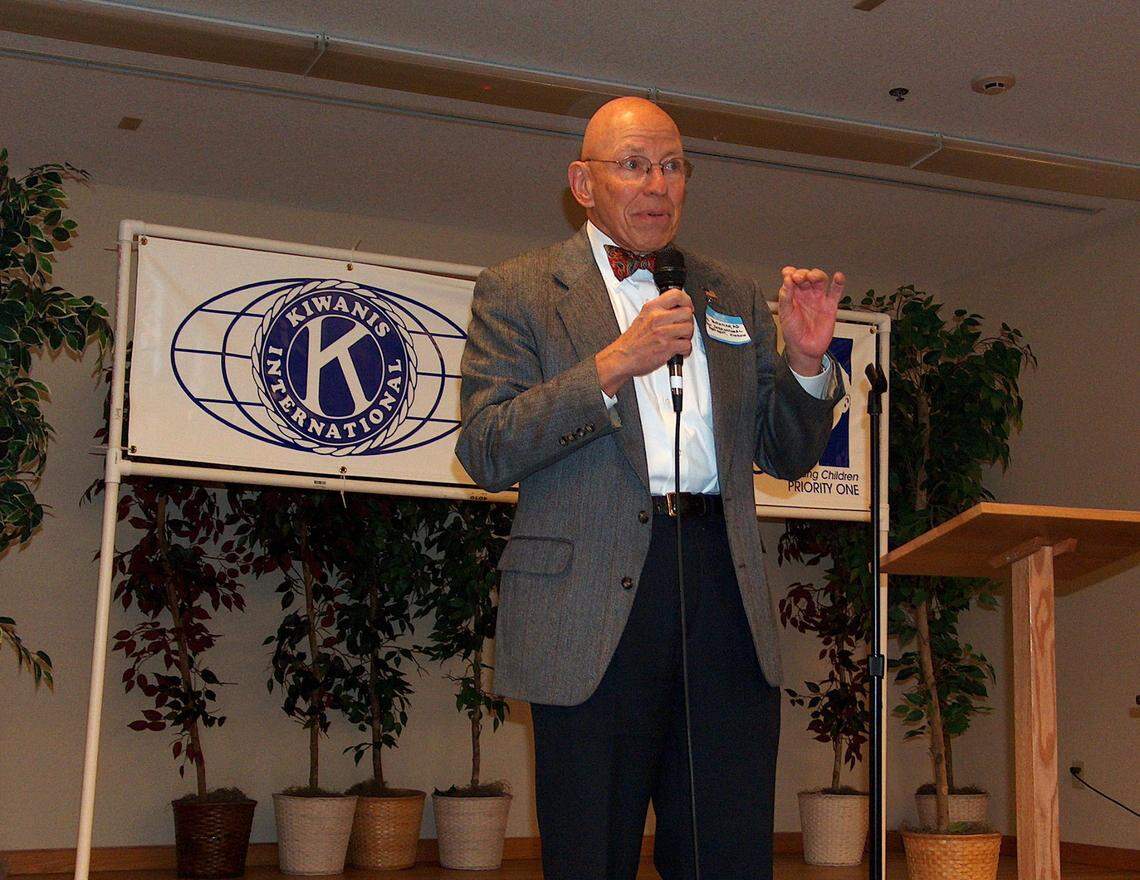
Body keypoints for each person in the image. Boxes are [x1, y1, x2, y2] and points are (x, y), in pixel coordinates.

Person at [455, 96, 845, 880]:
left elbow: (788, 456)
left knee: (727, 849)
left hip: (719, 586)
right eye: (634, 165)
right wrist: (610, 366)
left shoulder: (729, 293)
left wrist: (806, 364)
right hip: (589, 597)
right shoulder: (520, 288)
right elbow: (486, 447)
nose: (657, 184)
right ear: (584, 182)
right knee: (591, 849)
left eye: (673, 166)